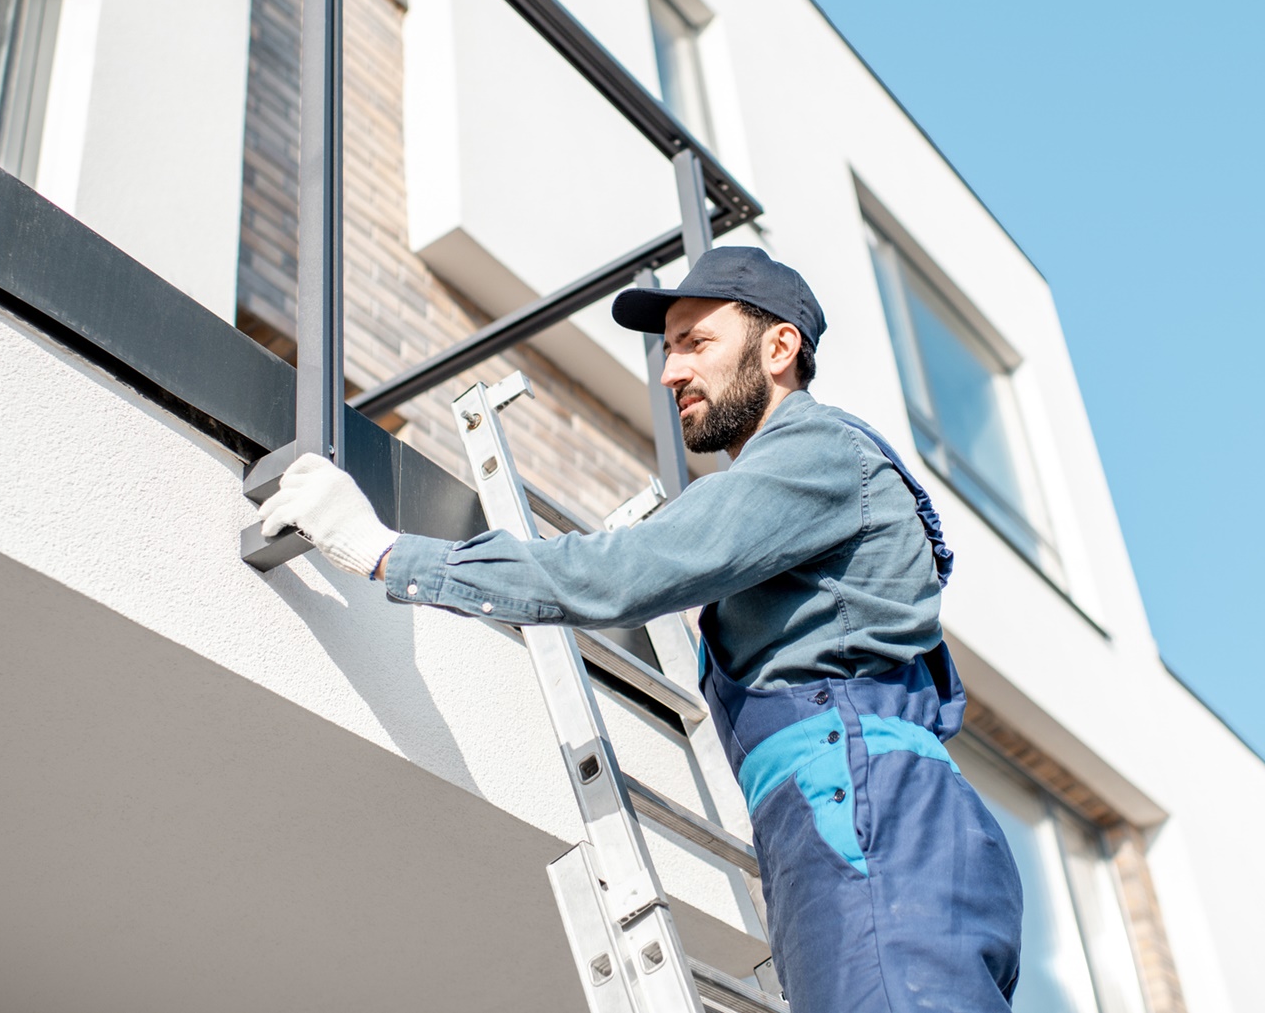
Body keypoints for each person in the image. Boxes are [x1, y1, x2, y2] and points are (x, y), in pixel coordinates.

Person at [259, 246, 1024, 1012]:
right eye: (667, 349)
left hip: (866, 821)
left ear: (781, 346)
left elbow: (620, 571)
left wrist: (390, 553)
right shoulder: (803, 486)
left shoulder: (816, 453)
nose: (669, 371)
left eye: (696, 342)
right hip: (862, 830)